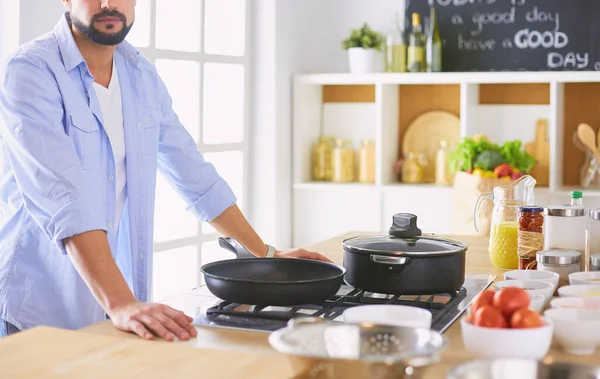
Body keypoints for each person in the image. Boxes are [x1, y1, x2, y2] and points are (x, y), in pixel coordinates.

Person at [0, 0, 332, 341]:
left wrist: (267, 256)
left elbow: (193, 175)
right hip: (37, 309)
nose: (108, 4)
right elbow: (65, 201)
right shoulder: (31, 71)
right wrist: (121, 302)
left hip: (112, 312)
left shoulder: (140, 74)